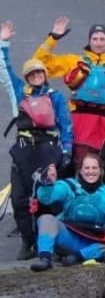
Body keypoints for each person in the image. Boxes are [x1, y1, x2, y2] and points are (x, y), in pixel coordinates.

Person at [35, 7, 105, 184]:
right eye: (95, 38)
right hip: (79, 121)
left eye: (102, 39)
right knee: (74, 166)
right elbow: (40, 63)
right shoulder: (73, 61)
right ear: (89, 40)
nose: (99, 42)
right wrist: (53, 38)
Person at [0, 25, 72, 259]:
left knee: (48, 197)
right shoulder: (20, 91)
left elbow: (65, 124)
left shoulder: (55, 96)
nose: (36, 76)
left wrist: (67, 150)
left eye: (39, 73)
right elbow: (4, 69)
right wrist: (4, 44)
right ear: (27, 77)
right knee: (20, 198)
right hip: (23, 151)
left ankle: (51, 241)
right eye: (31, 74)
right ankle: (27, 240)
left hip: (47, 151)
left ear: (44, 75)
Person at [29, 153, 105, 269]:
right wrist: (48, 183)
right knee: (46, 218)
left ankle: (78, 257)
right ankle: (45, 259)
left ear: (101, 171)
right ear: (80, 170)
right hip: (69, 238)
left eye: (95, 168)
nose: (91, 171)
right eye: (87, 168)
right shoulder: (68, 185)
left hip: (93, 240)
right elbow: (47, 198)